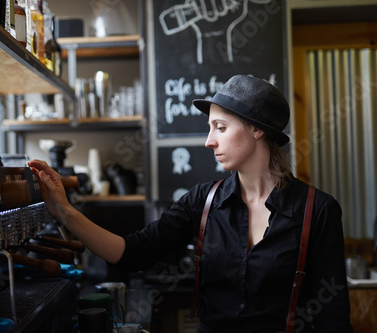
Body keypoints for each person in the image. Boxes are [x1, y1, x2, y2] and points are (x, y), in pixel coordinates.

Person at [28, 75, 353, 332]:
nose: (209, 140)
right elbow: (133, 253)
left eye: (220, 128)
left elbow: (332, 315)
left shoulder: (318, 210)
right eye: (210, 128)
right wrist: (63, 211)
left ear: (257, 130)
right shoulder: (204, 200)